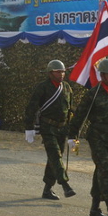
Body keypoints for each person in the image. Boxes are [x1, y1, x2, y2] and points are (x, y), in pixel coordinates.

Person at [70, 58, 108, 216]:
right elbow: (80, 114)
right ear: (102, 75)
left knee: (102, 171)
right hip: (97, 136)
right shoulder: (92, 94)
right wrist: (72, 135)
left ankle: (95, 207)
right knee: (106, 169)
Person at [23, 59, 76, 200]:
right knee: (55, 156)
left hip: (62, 128)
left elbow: (71, 111)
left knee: (53, 159)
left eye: (63, 72)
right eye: (58, 72)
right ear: (50, 73)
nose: (61, 74)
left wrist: (73, 134)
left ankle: (47, 189)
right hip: (48, 127)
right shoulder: (42, 87)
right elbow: (31, 108)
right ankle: (65, 185)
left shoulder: (67, 88)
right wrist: (29, 128)